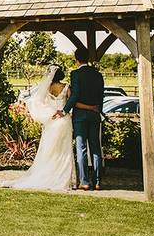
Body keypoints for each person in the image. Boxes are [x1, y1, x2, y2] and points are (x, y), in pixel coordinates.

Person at [10, 66, 75, 192]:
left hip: (51, 122)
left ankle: (48, 174)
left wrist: (49, 113)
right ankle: (63, 178)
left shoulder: (47, 88)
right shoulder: (66, 87)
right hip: (64, 120)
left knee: (49, 150)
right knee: (64, 150)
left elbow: (36, 102)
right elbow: (70, 103)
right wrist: (63, 111)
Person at [55, 48, 105, 190]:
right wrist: (97, 109)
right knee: (95, 148)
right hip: (95, 114)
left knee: (81, 148)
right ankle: (97, 182)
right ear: (88, 58)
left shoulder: (75, 74)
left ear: (76, 59)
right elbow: (101, 95)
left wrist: (64, 110)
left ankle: (84, 181)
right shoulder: (98, 75)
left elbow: (75, 95)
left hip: (80, 116)